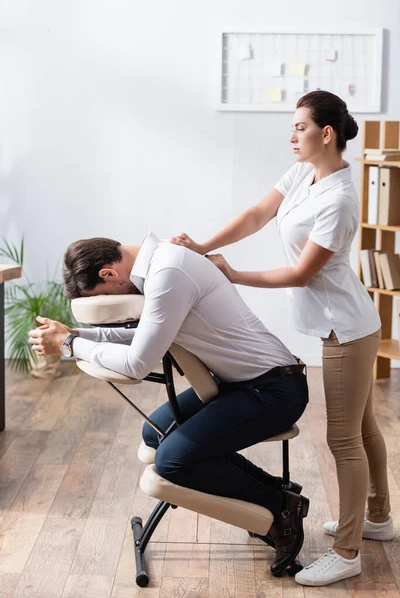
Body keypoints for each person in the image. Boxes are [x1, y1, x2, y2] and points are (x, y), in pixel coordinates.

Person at [170, 90, 393, 587]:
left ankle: (348, 549)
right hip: (345, 322)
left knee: (344, 438)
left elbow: (301, 273)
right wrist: (206, 246)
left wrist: (234, 274)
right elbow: (256, 214)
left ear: (326, 133)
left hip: (347, 330)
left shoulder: (338, 198)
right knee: (364, 427)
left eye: (299, 127)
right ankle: (377, 518)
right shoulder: (303, 174)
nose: (291, 135)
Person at [29, 230, 309, 576]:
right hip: (238, 381)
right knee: (155, 432)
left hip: (274, 389)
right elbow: (146, 334)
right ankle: (278, 488)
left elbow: (136, 362)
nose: (112, 304)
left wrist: (70, 345)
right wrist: (76, 334)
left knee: (172, 459)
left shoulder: (168, 273)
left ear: (108, 274)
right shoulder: (161, 265)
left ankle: (280, 508)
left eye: (104, 294)